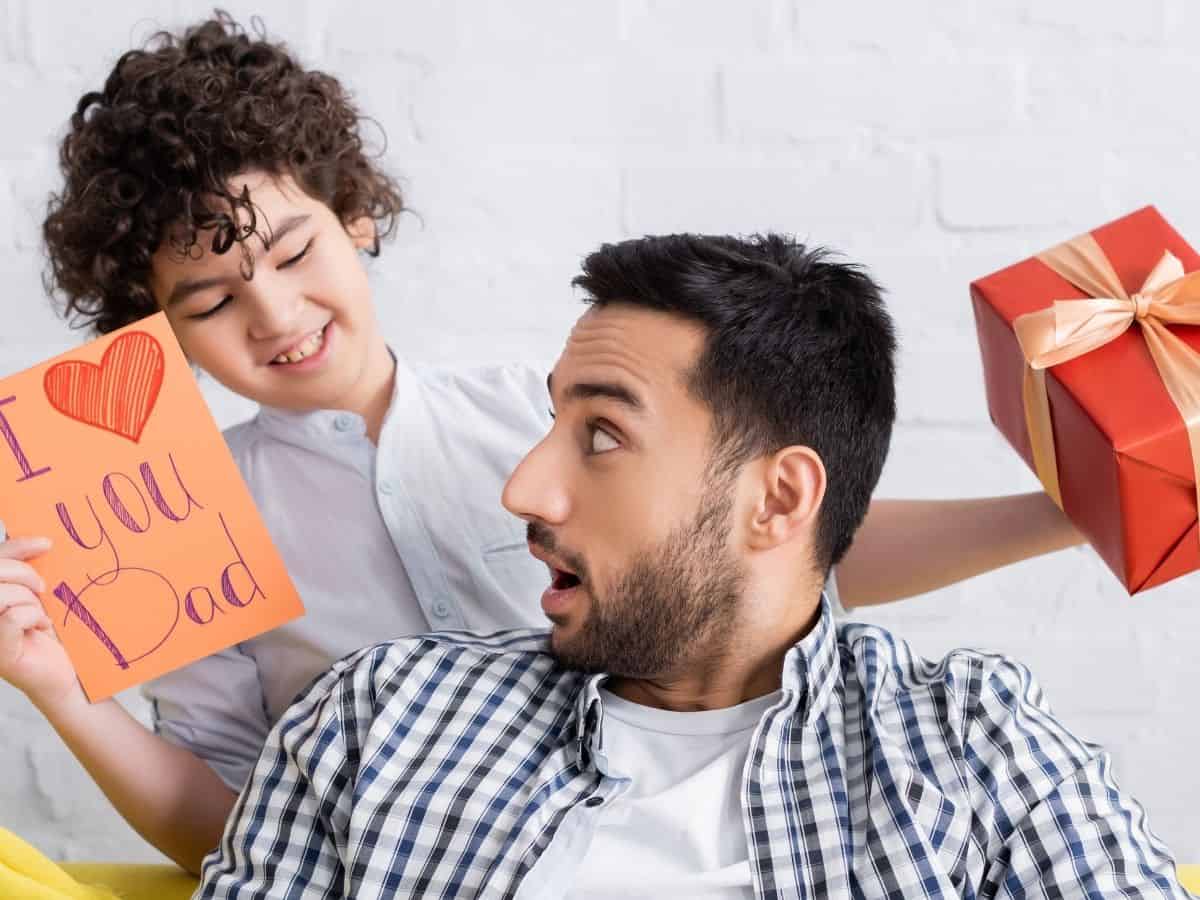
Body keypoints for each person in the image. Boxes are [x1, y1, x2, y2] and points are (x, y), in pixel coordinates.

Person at [0, 14, 1079, 874]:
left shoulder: (544, 406)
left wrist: (1064, 512)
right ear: (158, 333)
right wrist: (59, 689)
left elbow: (788, 544)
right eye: (211, 300)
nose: (275, 315)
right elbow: (228, 822)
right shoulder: (188, 527)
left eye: (292, 250)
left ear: (355, 215)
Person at [197, 233, 1187, 899]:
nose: (523, 490)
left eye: (600, 437)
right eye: (551, 423)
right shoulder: (380, 719)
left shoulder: (970, 752)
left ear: (780, 501)